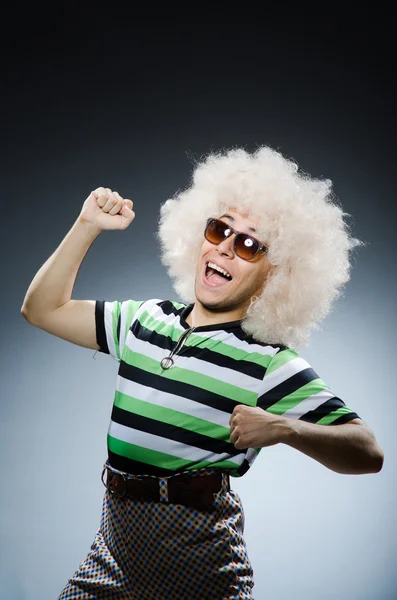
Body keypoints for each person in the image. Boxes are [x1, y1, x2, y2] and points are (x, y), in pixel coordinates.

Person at [21, 146, 384, 600]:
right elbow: (41, 309)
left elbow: (368, 451)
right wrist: (86, 226)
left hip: (199, 562)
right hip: (113, 549)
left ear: (275, 275)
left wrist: (286, 428)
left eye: (250, 244)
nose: (226, 247)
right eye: (219, 228)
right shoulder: (143, 320)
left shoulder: (269, 362)